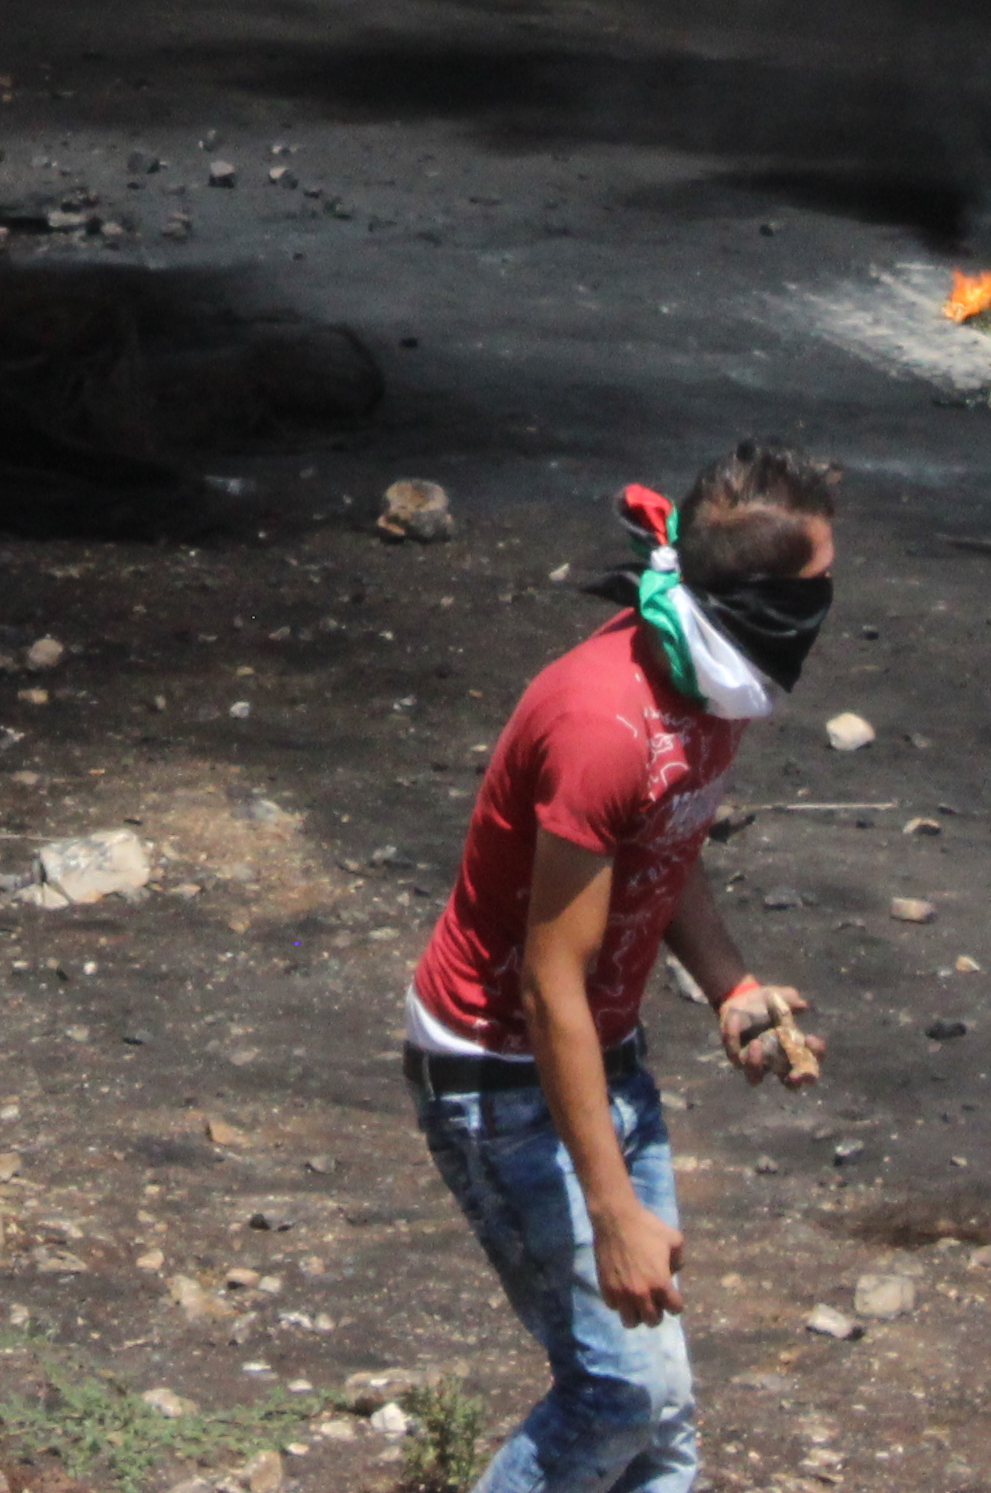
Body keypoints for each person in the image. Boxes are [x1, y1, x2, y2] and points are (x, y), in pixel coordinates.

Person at [405, 448, 843, 1493]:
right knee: (620, 1398)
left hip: (597, 1060)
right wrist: (612, 1214)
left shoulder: (704, 684)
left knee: (663, 1421)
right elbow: (548, 984)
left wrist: (733, 986)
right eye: (819, 587)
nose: (831, 607)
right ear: (764, 598)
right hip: (503, 1077)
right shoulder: (607, 721)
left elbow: (668, 841)